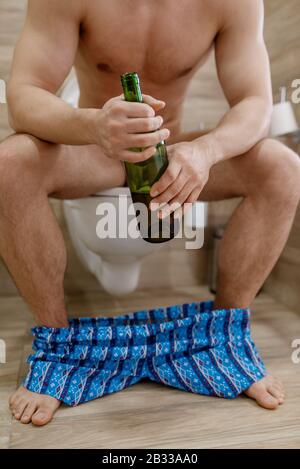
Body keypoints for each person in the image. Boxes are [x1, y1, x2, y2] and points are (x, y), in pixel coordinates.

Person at [1, 0, 299, 426]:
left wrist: (206, 150)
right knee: (9, 165)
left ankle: (220, 339)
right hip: (95, 149)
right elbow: (24, 95)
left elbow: (255, 102)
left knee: (282, 168)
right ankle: (59, 350)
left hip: (176, 150)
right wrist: (91, 126)